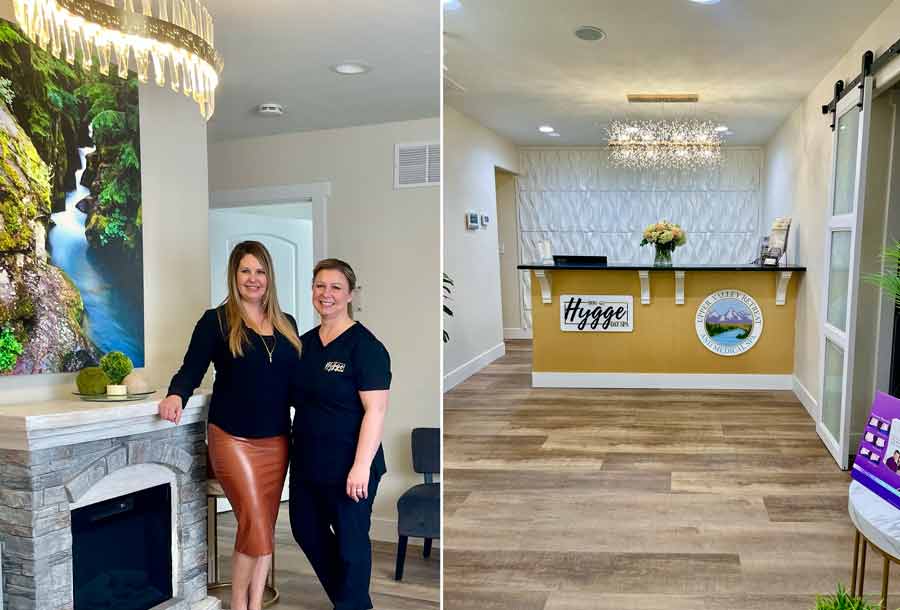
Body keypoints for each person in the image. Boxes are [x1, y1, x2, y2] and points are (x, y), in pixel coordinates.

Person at [158, 241, 301, 610]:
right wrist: (176, 395)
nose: (253, 279)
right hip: (231, 438)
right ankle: (239, 604)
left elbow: (299, 383)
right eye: (245, 271)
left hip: (276, 441)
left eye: (260, 271)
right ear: (234, 276)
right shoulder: (216, 322)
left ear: (269, 277)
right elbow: (191, 369)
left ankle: (254, 604)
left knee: (264, 526)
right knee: (254, 521)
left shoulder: (288, 325)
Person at [289, 258, 390, 610]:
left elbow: (375, 411)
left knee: (351, 544)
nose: (326, 294)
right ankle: (354, 603)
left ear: (350, 294)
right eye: (320, 286)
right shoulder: (302, 345)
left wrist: (361, 466)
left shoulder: (365, 347)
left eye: (335, 287)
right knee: (306, 530)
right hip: (306, 464)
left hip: (350, 464)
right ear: (312, 290)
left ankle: (351, 604)